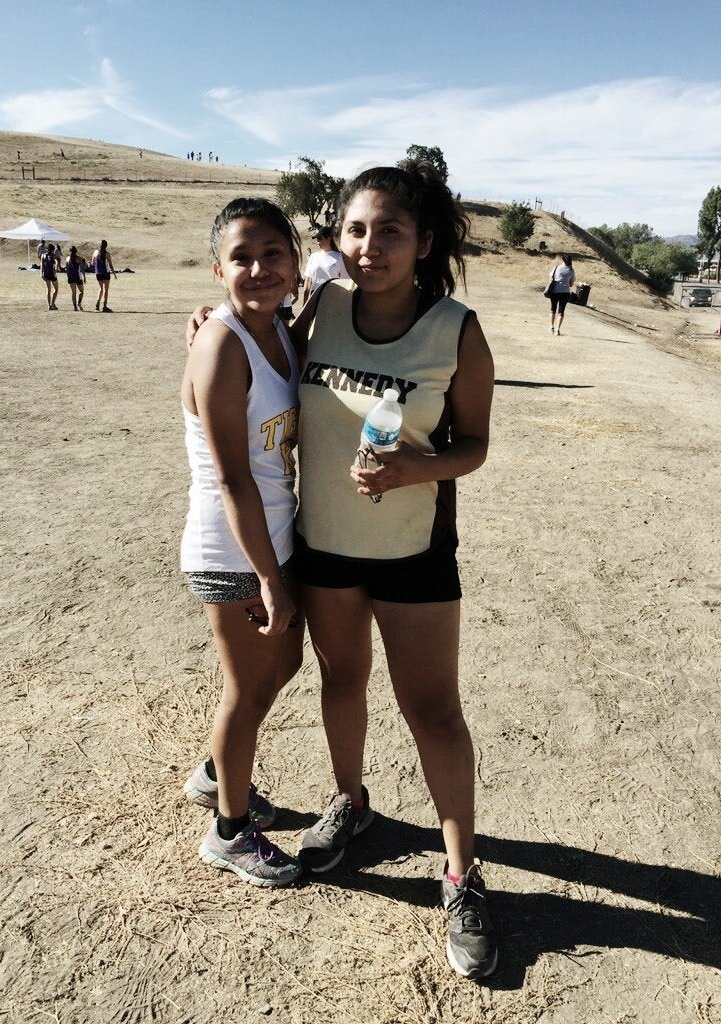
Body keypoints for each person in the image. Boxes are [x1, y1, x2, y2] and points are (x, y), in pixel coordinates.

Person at [186, 163, 498, 978]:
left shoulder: (457, 329)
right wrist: (211, 321)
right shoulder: (321, 309)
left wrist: (412, 471)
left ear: (423, 242)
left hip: (414, 552)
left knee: (434, 712)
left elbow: (475, 445)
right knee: (341, 684)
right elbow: (255, 346)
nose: (370, 247)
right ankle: (352, 803)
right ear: (338, 241)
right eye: (356, 231)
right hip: (323, 549)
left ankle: (462, 875)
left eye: (390, 231)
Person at [181, 198, 305, 887]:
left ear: (293, 259)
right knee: (246, 688)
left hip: (272, 539)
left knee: (280, 668)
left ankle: (215, 771)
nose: (259, 269)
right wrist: (269, 579)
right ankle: (230, 830)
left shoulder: (279, 330)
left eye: (272, 254)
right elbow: (232, 479)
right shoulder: (223, 342)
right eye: (241, 258)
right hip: (233, 553)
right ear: (217, 269)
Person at [301, 226, 348, 304]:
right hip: (315, 298)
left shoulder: (340, 258)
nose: (317, 242)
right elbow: (307, 283)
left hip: (333, 299)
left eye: (320, 239)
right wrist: (304, 305)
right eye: (316, 239)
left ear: (329, 238)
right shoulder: (313, 257)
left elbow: (345, 283)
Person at [546, 254, 575, 335]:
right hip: (565, 293)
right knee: (561, 312)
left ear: (562, 260)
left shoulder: (556, 268)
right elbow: (571, 284)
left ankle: (551, 328)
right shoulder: (571, 270)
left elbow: (550, 278)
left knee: (553, 310)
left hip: (555, 291)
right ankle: (558, 330)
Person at [91, 240, 117, 312]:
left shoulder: (95, 253)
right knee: (106, 290)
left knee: (101, 289)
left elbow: (92, 263)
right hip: (105, 273)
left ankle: (97, 305)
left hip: (98, 273)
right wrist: (114, 273)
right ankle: (104, 306)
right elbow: (110, 265)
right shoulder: (107, 254)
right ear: (106, 246)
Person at [66, 245, 86, 311]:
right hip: (77, 277)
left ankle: (75, 307)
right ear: (76, 251)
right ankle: (79, 303)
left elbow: (67, 269)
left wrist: (68, 277)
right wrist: (84, 277)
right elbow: (82, 269)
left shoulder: (67, 258)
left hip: (70, 277)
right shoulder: (79, 258)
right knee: (81, 291)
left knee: (73, 292)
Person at [40, 243, 60, 310]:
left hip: (46, 274)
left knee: (48, 290)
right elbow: (58, 261)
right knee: (56, 289)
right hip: (52, 274)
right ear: (53, 249)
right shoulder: (53, 255)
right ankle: (53, 303)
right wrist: (57, 267)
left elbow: (42, 265)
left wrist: (41, 273)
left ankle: (49, 305)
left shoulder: (43, 255)